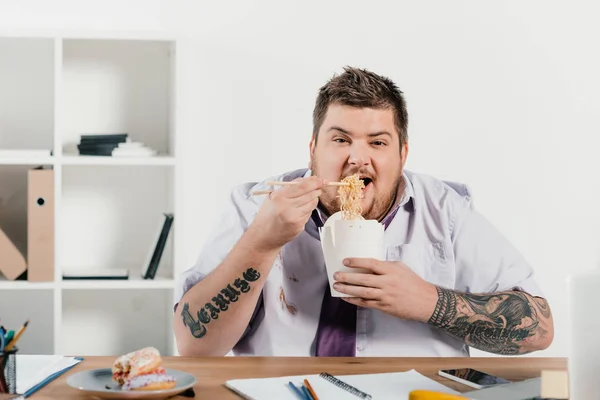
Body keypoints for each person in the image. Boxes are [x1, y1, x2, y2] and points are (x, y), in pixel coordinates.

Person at [173, 66, 554, 357]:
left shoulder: (444, 211)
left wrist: (429, 302)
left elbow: (540, 328)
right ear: (313, 149)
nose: (358, 158)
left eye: (378, 142)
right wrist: (260, 242)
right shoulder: (257, 205)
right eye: (340, 140)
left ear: (402, 155)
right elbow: (194, 346)